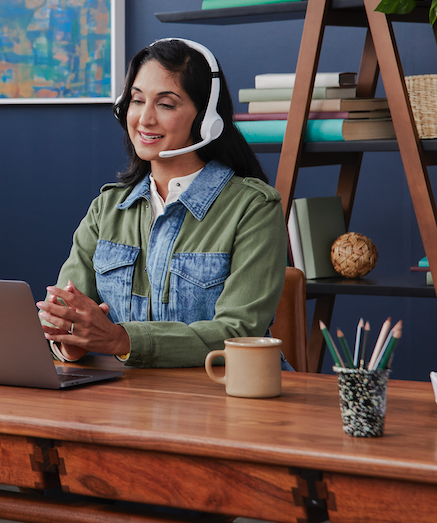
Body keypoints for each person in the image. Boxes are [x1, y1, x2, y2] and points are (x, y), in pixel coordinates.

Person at [36, 37, 288, 368]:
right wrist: (69, 338)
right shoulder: (107, 208)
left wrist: (121, 339)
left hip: (222, 399)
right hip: (127, 402)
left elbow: (237, 334)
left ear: (205, 119)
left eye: (166, 105)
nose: (144, 119)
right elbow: (67, 315)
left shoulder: (253, 208)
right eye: (137, 101)